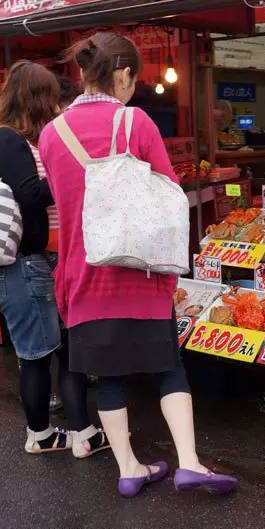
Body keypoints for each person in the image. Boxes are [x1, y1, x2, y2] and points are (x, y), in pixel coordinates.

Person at [38, 32, 237, 498]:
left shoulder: (51, 134)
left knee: (107, 378)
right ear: (123, 75)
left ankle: (129, 468)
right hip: (142, 273)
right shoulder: (136, 123)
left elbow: (64, 205)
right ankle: (188, 463)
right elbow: (168, 192)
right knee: (168, 367)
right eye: (134, 79)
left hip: (82, 274)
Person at [0, 61, 107, 458]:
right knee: (36, 355)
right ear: (35, 98)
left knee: (55, 348)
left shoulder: (22, 139)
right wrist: (73, 173)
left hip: (35, 262)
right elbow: (30, 194)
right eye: (50, 96)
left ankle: (72, 429)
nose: (57, 105)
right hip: (21, 264)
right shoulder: (6, 140)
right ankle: (40, 435)